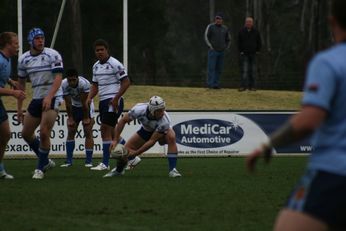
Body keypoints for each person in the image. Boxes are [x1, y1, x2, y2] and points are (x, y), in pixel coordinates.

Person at [246, 0, 346, 230]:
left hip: (334, 174)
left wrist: (268, 144)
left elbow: (308, 120)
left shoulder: (328, 62)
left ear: (332, 22)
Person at [17, 28, 63, 179]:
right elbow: (21, 86)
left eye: (42, 37)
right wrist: (19, 109)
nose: (41, 40)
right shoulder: (23, 59)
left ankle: (40, 169)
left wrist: (49, 97)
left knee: (44, 132)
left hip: (53, 96)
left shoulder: (53, 54)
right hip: (37, 99)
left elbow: (57, 78)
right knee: (25, 133)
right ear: (30, 41)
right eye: (37, 38)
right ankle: (46, 161)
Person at [103, 96, 182, 178]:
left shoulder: (164, 121)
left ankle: (173, 170)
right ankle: (118, 171)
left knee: (171, 136)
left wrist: (136, 153)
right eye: (159, 111)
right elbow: (123, 121)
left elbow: (152, 141)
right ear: (152, 110)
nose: (162, 113)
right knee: (123, 152)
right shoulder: (139, 109)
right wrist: (115, 140)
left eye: (163, 109)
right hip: (146, 131)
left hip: (162, 134)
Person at [87, 39, 130, 171]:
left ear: (107, 50)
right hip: (103, 101)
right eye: (97, 50)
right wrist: (89, 98)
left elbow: (126, 82)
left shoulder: (115, 63)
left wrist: (116, 98)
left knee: (104, 130)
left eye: (102, 49)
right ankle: (132, 157)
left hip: (113, 101)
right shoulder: (95, 66)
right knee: (111, 133)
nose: (99, 52)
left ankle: (105, 163)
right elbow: (95, 85)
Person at [0, 32, 26, 179]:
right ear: (8, 45)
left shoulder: (7, 59)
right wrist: (13, 93)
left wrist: (10, 81)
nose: (18, 46)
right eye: (16, 43)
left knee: (5, 134)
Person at [60, 68, 95, 168]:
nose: (71, 82)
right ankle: (68, 161)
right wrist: (70, 118)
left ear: (77, 78)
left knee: (87, 130)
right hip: (74, 106)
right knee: (71, 130)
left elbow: (85, 103)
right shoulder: (64, 84)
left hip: (87, 106)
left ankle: (88, 161)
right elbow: (68, 103)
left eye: (73, 80)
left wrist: (86, 118)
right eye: (69, 80)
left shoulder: (84, 84)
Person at [204, 12, 231, 89]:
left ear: (222, 20)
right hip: (213, 51)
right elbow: (206, 37)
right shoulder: (210, 27)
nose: (218, 20)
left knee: (219, 69)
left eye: (219, 19)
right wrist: (210, 46)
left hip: (221, 51)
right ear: (215, 20)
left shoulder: (225, 28)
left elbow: (228, 39)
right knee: (211, 68)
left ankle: (216, 84)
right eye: (217, 19)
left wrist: (226, 47)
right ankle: (210, 84)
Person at [237, 16, 261, 91]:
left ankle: (252, 87)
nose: (249, 23)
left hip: (253, 54)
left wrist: (258, 50)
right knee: (244, 71)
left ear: (252, 23)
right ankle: (243, 86)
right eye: (247, 22)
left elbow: (259, 42)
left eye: (250, 22)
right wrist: (240, 51)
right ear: (245, 23)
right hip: (244, 54)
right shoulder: (241, 31)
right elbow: (238, 42)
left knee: (253, 71)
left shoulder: (256, 31)